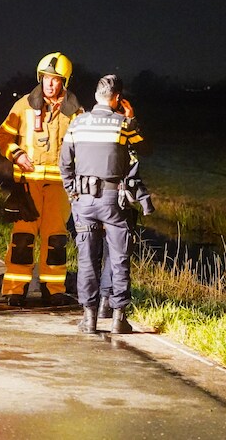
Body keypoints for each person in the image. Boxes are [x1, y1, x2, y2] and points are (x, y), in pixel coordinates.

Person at [61, 74, 151, 334]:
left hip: (84, 201)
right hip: (114, 201)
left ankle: (88, 319)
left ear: (95, 96)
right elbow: (144, 149)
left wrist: (72, 192)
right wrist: (132, 118)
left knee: (87, 259)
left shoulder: (77, 124)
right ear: (118, 99)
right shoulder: (123, 124)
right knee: (119, 258)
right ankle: (117, 318)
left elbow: (65, 163)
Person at [0, 52, 83, 306]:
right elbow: (2, 136)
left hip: (59, 186)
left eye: (55, 79)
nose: (50, 84)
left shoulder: (75, 112)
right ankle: (14, 289)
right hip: (27, 184)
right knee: (23, 237)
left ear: (64, 81)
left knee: (56, 238)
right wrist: (16, 154)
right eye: (46, 78)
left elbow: (84, 147)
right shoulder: (23, 105)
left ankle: (53, 289)